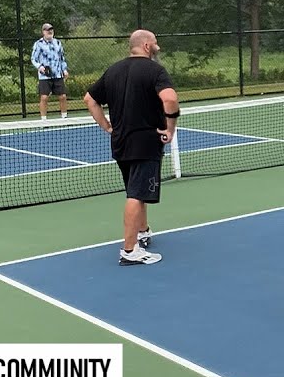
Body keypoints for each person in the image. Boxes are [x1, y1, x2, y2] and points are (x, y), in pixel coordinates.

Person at [84, 30, 179, 266]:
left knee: (137, 189)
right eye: (156, 43)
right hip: (146, 143)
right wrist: (170, 128)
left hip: (121, 143)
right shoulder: (155, 71)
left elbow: (89, 99)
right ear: (146, 46)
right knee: (136, 194)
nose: (158, 47)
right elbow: (170, 99)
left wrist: (107, 126)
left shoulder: (113, 70)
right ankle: (129, 250)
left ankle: (142, 231)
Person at [32, 23, 70, 120]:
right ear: (43, 32)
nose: (50, 31)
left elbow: (62, 58)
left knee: (62, 96)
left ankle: (64, 117)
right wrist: (40, 67)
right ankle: (44, 119)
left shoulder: (58, 43)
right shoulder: (38, 44)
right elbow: (33, 59)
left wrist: (64, 69)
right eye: (47, 30)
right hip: (45, 75)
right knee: (44, 97)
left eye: (51, 30)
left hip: (57, 74)